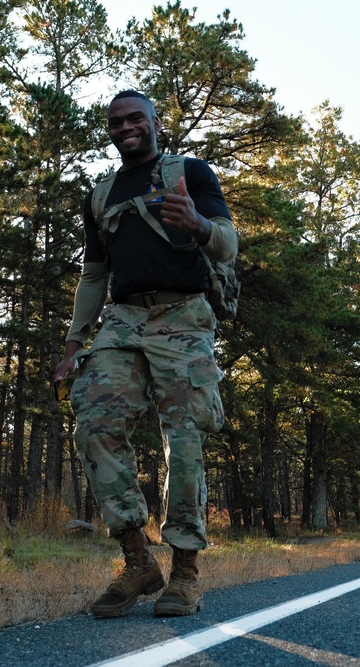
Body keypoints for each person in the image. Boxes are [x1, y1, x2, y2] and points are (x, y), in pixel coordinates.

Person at [52, 90, 237, 618]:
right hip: (123, 321)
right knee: (94, 422)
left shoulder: (190, 174)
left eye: (136, 118)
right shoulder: (101, 194)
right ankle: (137, 561)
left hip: (183, 317)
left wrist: (198, 226)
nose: (126, 127)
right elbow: (94, 275)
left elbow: (227, 242)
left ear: (156, 123)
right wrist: (72, 346)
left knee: (184, 440)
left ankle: (185, 574)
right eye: (117, 121)